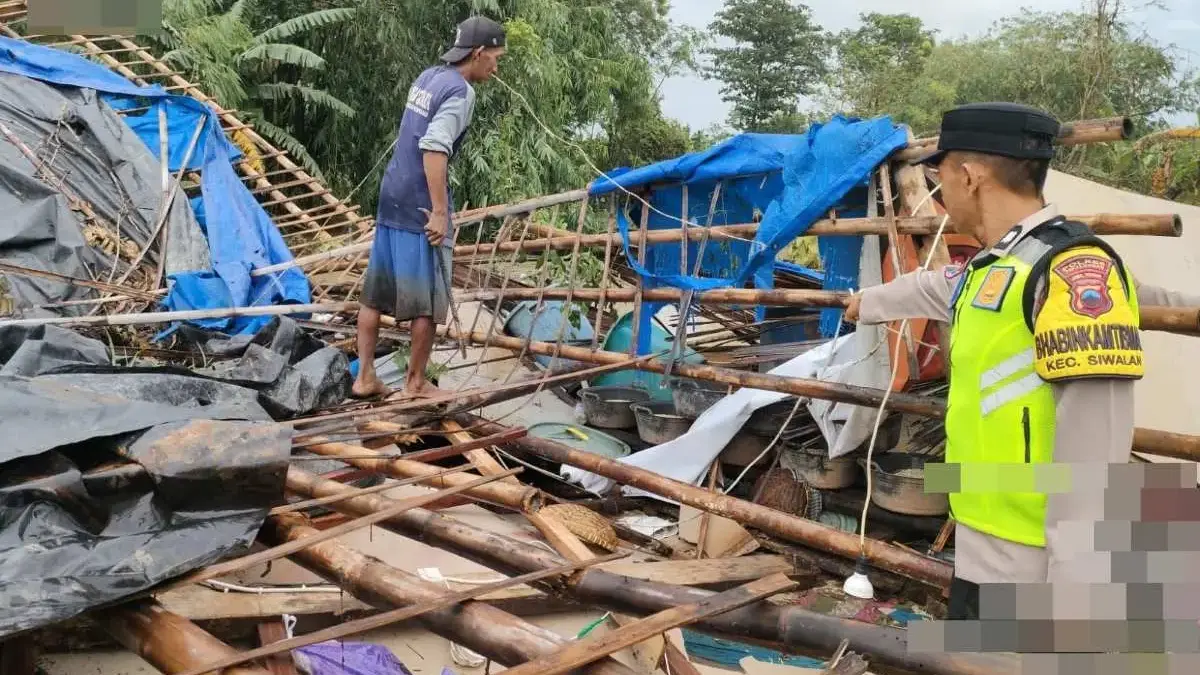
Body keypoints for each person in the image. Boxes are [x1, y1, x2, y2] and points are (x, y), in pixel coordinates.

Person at [844, 102, 1153, 620]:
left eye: (936, 174)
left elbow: (1095, 452)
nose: (936, 188)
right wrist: (864, 304)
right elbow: (932, 287)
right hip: (981, 540)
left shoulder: (1072, 271)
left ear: (969, 175)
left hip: (1037, 567)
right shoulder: (998, 264)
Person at [352, 16, 506, 400]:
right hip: (420, 202)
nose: (496, 67)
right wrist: (439, 211)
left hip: (392, 192)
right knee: (429, 300)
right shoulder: (460, 93)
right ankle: (416, 383)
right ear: (478, 52)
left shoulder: (428, 77)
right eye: (495, 58)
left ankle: (365, 377)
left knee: (374, 295)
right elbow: (435, 147)